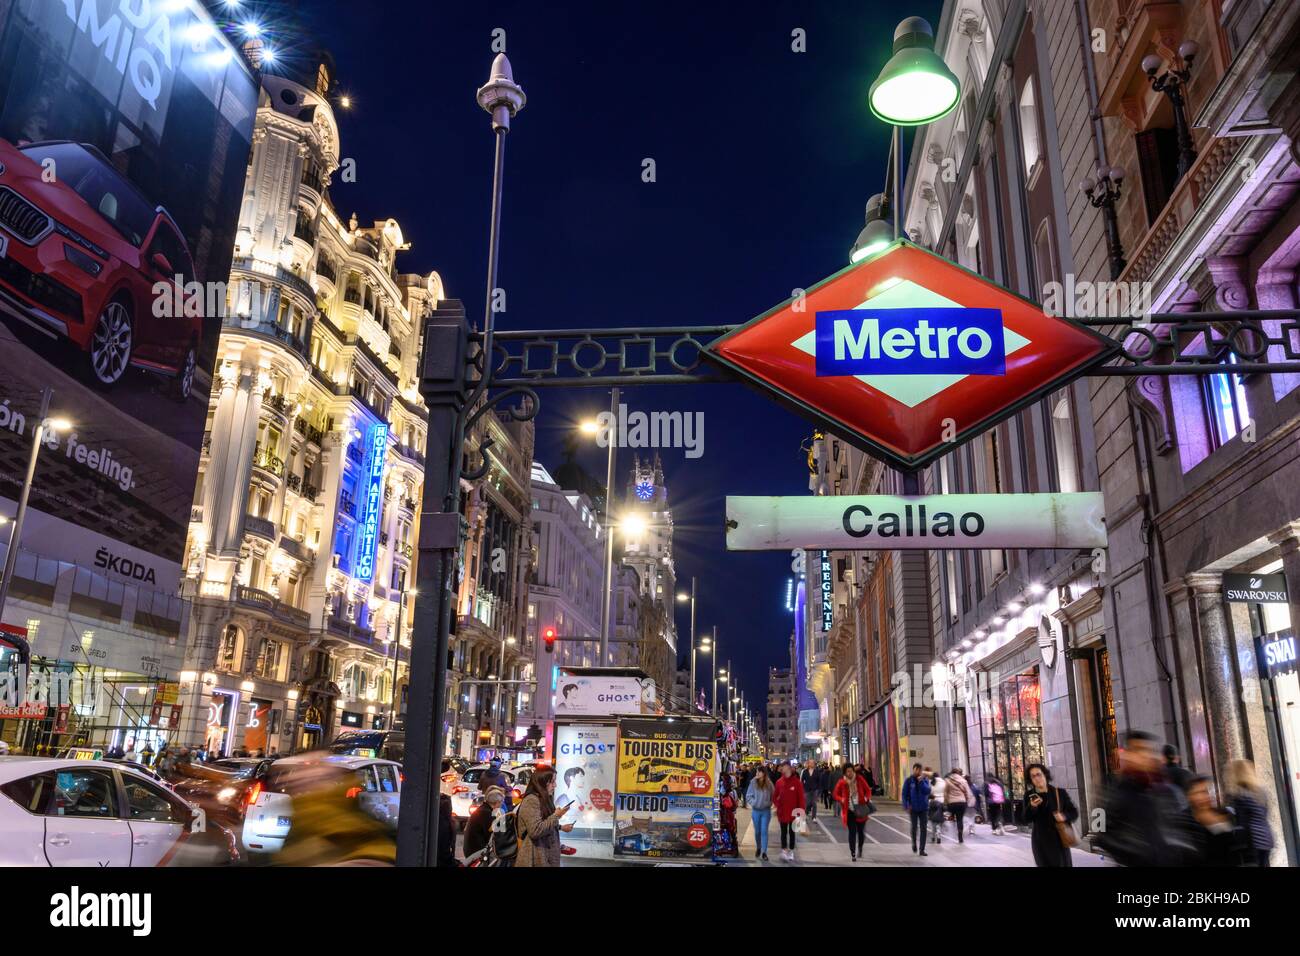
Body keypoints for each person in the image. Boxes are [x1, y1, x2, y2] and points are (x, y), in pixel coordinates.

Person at [1097, 730, 1195, 866]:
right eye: (1138, 750)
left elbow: (1183, 827)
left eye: (1148, 750)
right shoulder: (1113, 790)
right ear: (1127, 755)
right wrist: (1139, 852)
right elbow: (1100, 832)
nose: (1144, 755)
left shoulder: (1167, 789)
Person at [516, 767, 574, 867]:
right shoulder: (531, 800)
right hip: (535, 857)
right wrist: (556, 815)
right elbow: (536, 830)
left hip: (546, 856)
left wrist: (560, 826)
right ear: (541, 782)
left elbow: (545, 822)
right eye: (552, 782)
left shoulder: (545, 798)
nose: (555, 785)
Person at [1023, 763, 1078, 867]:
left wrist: (1064, 816)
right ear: (1030, 780)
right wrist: (1032, 807)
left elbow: (1074, 812)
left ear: (1045, 775)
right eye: (1033, 776)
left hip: (1059, 840)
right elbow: (1025, 819)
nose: (1037, 778)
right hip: (1040, 842)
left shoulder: (1059, 793)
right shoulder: (1029, 795)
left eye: (1039, 774)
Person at [1227, 759, 1275, 866]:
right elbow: (1264, 813)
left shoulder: (1240, 794)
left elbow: (1241, 821)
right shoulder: (1261, 791)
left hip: (1252, 839)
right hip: (1266, 837)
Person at [1183, 775, 1239, 867]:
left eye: (1206, 792)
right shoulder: (1185, 820)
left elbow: (1231, 849)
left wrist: (1217, 824)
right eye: (1197, 793)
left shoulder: (1222, 814)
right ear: (1189, 796)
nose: (1203, 797)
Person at [833, 763, 872, 862]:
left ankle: (860, 847)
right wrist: (841, 798)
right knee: (852, 832)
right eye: (848, 771)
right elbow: (835, 794)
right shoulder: (842, 782)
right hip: (849, 811)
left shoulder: (859, 779)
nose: (850, 773)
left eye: (851, 771)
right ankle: (853, 852)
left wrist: (866, 798)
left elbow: (868, 790)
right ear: (845, 773)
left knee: (861, 833)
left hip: (861, 809)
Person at [773, 762, 806, 863]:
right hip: (782, 812)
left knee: (792, 833)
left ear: (791, 769)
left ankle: (791, 851)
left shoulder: (797, 782)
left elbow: (801, 799)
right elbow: (774, 797)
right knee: (783, 832)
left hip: (794, 813)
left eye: (787, 767)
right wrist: (778, 805)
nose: (785, 769)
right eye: (783, 768)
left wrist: (801, 813)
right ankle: (784, 850)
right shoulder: (779, 782)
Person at [463, 786, 504, 861]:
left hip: (472, 849)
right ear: (497, 803)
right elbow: (495, 834)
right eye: (501, 803)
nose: (501, 805)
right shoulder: (486, 813)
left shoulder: (484, 809)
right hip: (475, 851)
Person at [902, 763, 932, 856]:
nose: (918, 772)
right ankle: (914, 843)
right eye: (916, 770)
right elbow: (904, 794)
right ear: (913, 770)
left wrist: (921, 782)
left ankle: (922, 849)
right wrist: (907, 806)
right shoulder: (908, 781)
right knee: (914, 827)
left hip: (924, 808)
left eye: (919, 770)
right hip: (913, 808)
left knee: (924, 828)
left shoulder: (925, 780)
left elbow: (927, 791)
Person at [746, 766, 774, 861]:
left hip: (766, 811)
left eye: (759, 772)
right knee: (757, 831)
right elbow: (748, 796)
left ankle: (764, 852)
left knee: (764, 831)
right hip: (756, 811)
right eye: (756, 772)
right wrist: (754, 803)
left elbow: (773, 796)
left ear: (764, 773)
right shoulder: (753, 782)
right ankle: (758, 847)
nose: (757, 773)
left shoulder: (769, 784)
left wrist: (769, 803)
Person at [943, 767, 973, 844]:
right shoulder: (963, 780)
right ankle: (960, 836)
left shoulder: (948, 780)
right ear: (959, 773)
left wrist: (945, 801)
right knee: (960, 819)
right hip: (961, 802)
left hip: (951, 803)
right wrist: (967, 800)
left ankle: (952, 816)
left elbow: (945, 792)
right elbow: (967, 792)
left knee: (953, 815)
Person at [928, 767, 947, 843]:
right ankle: (939, 835)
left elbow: (929, 792)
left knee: (933, 820)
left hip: (932, 802)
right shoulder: (943, 782)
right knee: (939, 820)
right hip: (941, 802)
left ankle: (933, 836)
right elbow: (946, 792)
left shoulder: (931, 782)